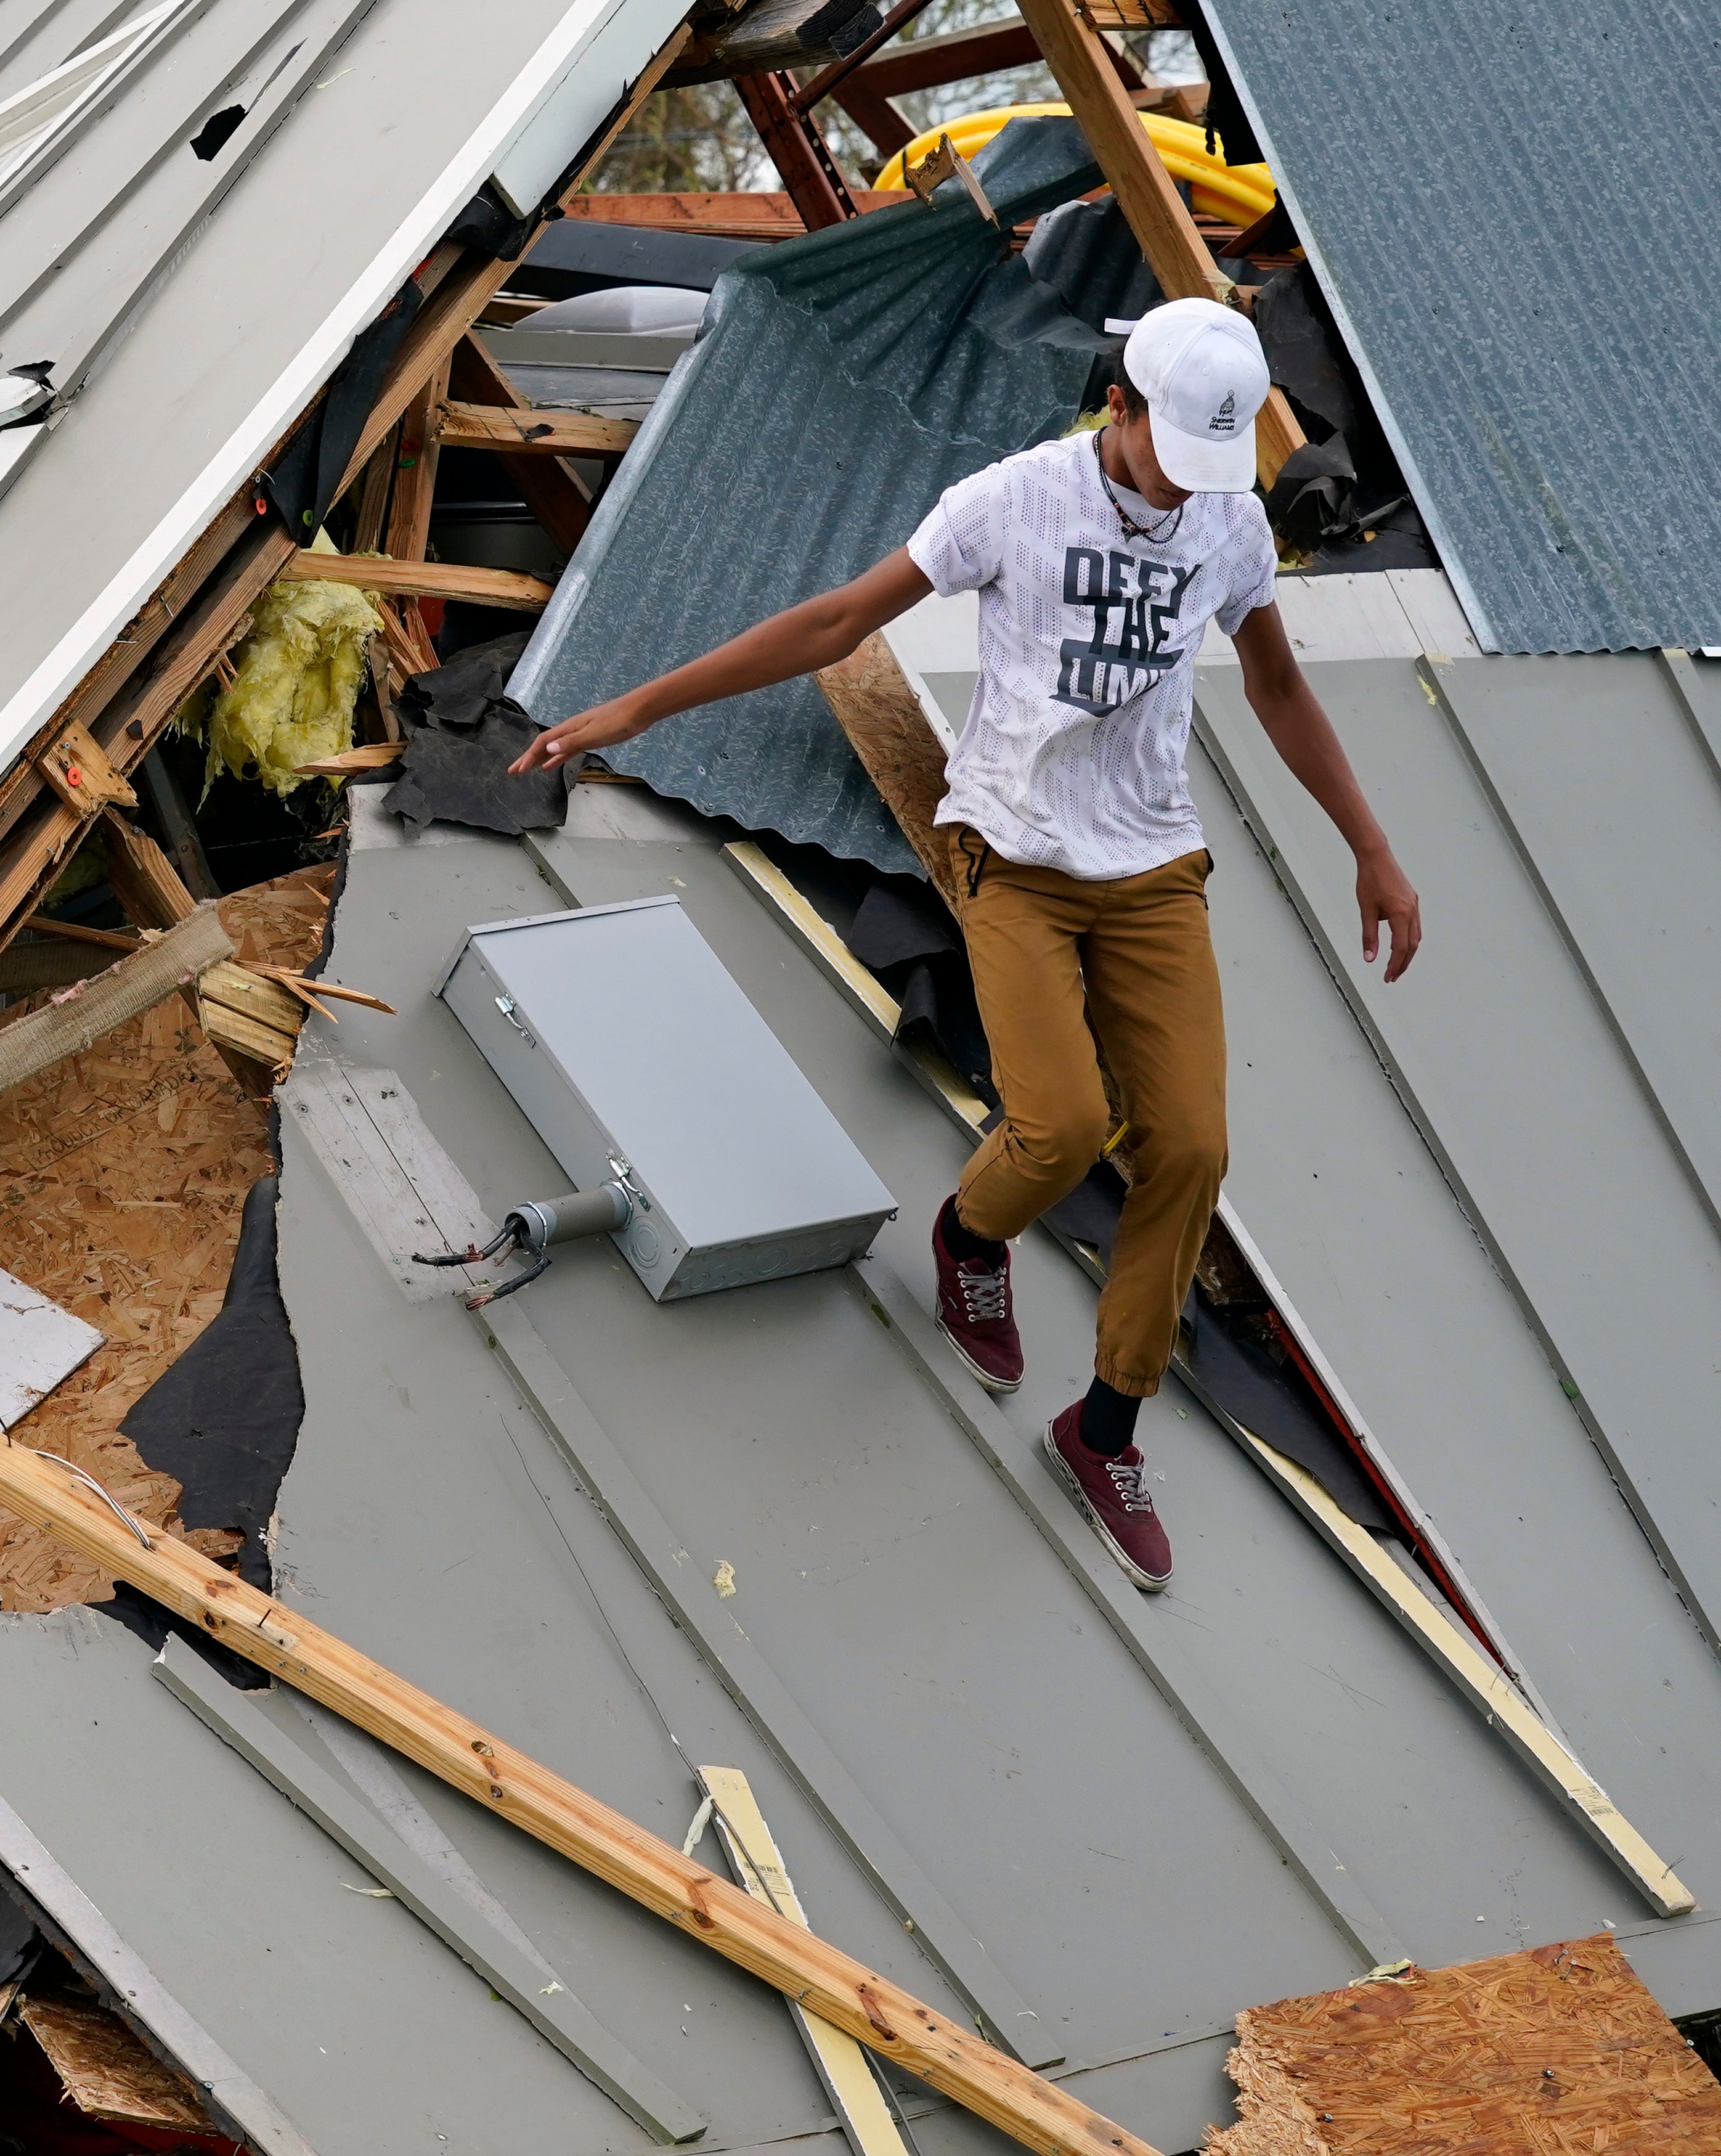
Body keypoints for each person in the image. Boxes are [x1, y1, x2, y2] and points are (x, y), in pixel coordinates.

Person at [511, 296, 1418, 1589]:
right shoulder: (1013, 500)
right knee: (1057, 1123)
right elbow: (837, 621)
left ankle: (1105, 1427)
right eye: (1172, 459)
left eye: (1213, 473)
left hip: (1153, 863)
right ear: (1121, 405)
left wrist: (1370, 844)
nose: (1190, 493)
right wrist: (641, 706)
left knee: (1194, 1147)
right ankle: (972, 1239)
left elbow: (1274, 681)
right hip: (1017, 855)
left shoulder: (1225, 517)